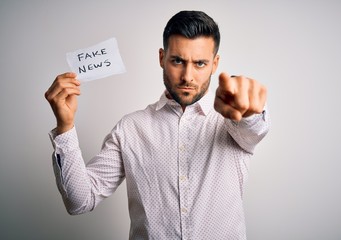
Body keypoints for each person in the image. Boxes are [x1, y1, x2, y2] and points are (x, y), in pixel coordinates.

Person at [45, 10, 270, 240]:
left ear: (215, 64)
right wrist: (65, 126)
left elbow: (252, 129)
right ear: (162, 58)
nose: (187, 76)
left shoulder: (230, 122)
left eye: (200, 63)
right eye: (177, 61)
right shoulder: (130, 129)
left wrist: (250, 111)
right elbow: (79, 201)